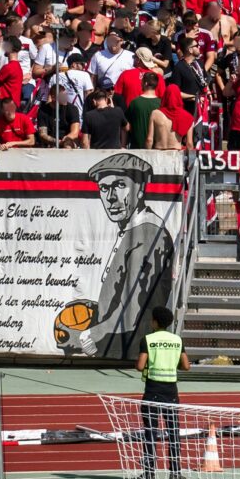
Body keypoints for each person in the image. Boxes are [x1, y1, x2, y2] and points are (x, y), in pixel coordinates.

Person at [77, 153, 175, 359]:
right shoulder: (132, 230)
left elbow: (133, 305)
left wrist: (93, 333)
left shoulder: (147, 232)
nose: (111, 196)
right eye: (104, 188)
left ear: (140, 189)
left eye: (120, 185)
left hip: (128, 345)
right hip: (121, 342)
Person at [133, 304, 189, 479]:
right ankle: (175, 473)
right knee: (173, 432)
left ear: (155, 322)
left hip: (152, 391)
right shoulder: (177, 340)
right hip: (171, 391)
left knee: (150, 432)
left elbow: (140, 366)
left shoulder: (147, 340)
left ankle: (149, 473)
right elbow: (186, 366)